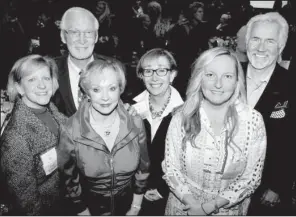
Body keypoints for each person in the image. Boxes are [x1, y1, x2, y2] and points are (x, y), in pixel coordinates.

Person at [162, 47, 267, 215]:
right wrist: (193, 205)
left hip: (228, 212)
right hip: (183, 209)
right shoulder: (181, 117)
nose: (218, 84)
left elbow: (250, 178)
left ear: (237, 81)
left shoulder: (252, 121)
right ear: (199, 78)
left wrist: (208, 208)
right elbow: (171, 168)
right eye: (210, 75)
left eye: (227, 76)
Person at [57, 58, 150, 216]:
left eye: (112, 88)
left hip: (128, 207)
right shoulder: (71, 130)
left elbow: (143, 167)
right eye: (97, 89)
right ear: (86, 92)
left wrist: (136, 206)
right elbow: (69, 179)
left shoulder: (135, 122)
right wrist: (82, 211)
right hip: (91, 209)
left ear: (120, 89)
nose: (105, 97)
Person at [0, 55, 68, 215]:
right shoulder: (15, 137)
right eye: (32, 80)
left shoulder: (53, 110)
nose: (42, 85)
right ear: (19, 87)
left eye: (46, 78)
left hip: (66, 200)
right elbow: (27, 202)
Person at [244, 12, 293, 215]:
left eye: (270, 41)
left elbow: (292, 142)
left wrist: (278, 186)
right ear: (246, 42)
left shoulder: (291, 85)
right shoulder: (228, 76)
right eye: (255, 39)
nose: (261, 48)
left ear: (281, 47)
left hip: (265, 189)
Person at [132, 48, 184, 215]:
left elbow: (188, 160)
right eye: (148, 71)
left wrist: (164, 188)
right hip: (134, 193)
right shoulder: (130, 108)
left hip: (172, 194)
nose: (154, 77)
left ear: (173, 74)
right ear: (141, 75)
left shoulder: (187, 111)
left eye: (162, 70)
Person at [52, 7, 110, 117]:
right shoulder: (49, 71)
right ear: (63, 36)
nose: (82, 40)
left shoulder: (115, 69)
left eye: (88, 32)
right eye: (74, 32)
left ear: (96, 36)